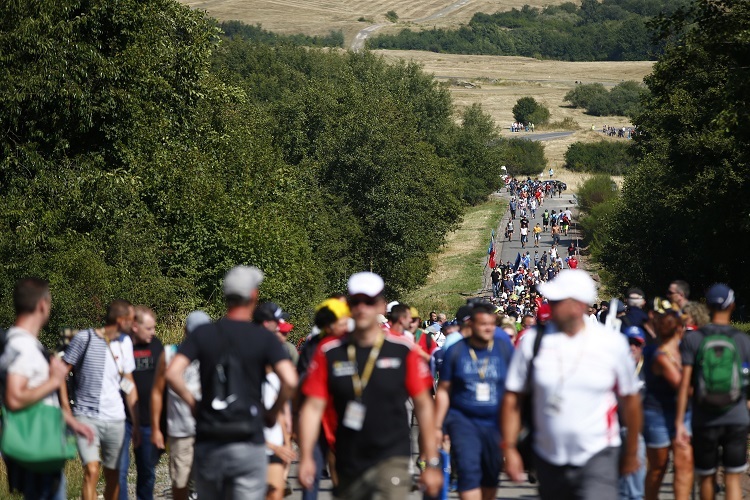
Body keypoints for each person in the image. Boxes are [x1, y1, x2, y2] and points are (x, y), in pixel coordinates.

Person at [298, 272, 443, 499]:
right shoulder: (329, 351)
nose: (362, 308)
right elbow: (312, 407)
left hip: (392, 454)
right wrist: (307, 456)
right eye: (356, 302)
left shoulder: (402, 350)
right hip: (347, 457)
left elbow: (424, 405)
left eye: (369, 302)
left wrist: (431, 459)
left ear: (380, 305)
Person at [502, 270, 642, 500]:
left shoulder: (610, 343)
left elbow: (631, 399)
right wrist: (509, 448)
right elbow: (512, 397)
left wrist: (632, 451)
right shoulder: (533, 342)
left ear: (579, 305)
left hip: (599, 453)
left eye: (557, 301)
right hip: (548, 456)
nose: (550, 305)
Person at [166, 266, 298, 498]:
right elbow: (290, 380)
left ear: (225, 296)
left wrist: (194, 404)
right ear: (254, 296)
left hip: (210, 440)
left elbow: (172, 373)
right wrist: (271, 413)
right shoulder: (264, 338)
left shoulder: (203, 334)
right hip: (249, 440)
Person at [0, 278, 94, 500]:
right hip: (37, 445)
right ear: (42, 304)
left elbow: (39, 397)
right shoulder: (22, 347)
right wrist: (54, 380)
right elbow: (15, 397)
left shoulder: (24, 345)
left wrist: (71, 422)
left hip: (39, 444)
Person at [675, 284, 750, 500]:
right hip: (736, 417)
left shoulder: (693, 339)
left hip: (704, 417)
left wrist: (680, 422)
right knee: (733, 478)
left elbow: (684, 384)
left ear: (706, 306)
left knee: (707, 477)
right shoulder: (743, 340)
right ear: (733, 306)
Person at [61, 299, 140, 500]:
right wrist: (66, 409)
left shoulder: (126, 343)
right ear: (121, 320)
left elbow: (129, 384)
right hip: (86, 416)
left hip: (115, 418)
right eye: (132, 319)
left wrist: (137, 422)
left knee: (114, 475)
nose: (135, 323)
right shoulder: (84, 338)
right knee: (92, 469)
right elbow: (60, 373)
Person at [435, 303, 514, 500]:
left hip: (495, 424)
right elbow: (444, 390)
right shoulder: (456, 351)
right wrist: (438, 427)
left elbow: (513, 390)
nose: (488, 328)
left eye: (491, 324)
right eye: (483, 324)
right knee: (468, 473)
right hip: (463, 421)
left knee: (490, 478)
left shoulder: (503, 349)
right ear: (471, 324)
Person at [150, 311, 211, 500]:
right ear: (185, 331)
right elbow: (157, 392)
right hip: (180, 430)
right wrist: (156, 429)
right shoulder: (169, 354)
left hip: (209, 429)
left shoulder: (215, 354)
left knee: (208, 483)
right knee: (179, 483)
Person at [296, 298, 352, 500]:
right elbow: (300, 383)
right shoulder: (313, 346)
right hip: (317, 418)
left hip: (344, 418)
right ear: (329, 324)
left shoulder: (351, 344)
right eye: (342, 321)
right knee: (311, 473)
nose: (347, 325)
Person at [642, 309, 693, 500]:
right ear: (679, 328)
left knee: (685, 463)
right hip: (657, 415)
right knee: (658, 466)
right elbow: (683, 387)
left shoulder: (684, 350)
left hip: (683, 413)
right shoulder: (658, 355)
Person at [119, 306, 164, 500]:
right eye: (149, 328)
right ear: (135, 327)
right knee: (119, 470)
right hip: (121, 415)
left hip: (147, 416)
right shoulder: (121, 344)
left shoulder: (156, 346)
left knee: (147, 470)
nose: (153, 332)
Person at [618, 326, 647, 500]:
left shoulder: (648, 368)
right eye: (629, 343)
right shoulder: (614, 368)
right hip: (615, 429)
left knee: (636, 479)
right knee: (620, 482)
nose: (632, 347)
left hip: (638, 431)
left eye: (637, 344)